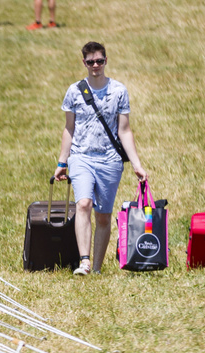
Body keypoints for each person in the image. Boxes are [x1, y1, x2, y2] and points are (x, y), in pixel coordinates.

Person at [52, 42, 148, 276]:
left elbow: (124, 130)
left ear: (106, 61)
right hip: (81, 156)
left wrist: (137, 164)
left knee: (103, 215)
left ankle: (96, 267)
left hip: (110, 160)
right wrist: (62, 162)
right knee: (83, 204)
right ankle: (84, 261)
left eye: (99, 61)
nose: (95, 65)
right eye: (90, 62)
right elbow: (69, 129)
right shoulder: (75, 91)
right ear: (83, 63)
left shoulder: (119, 91)